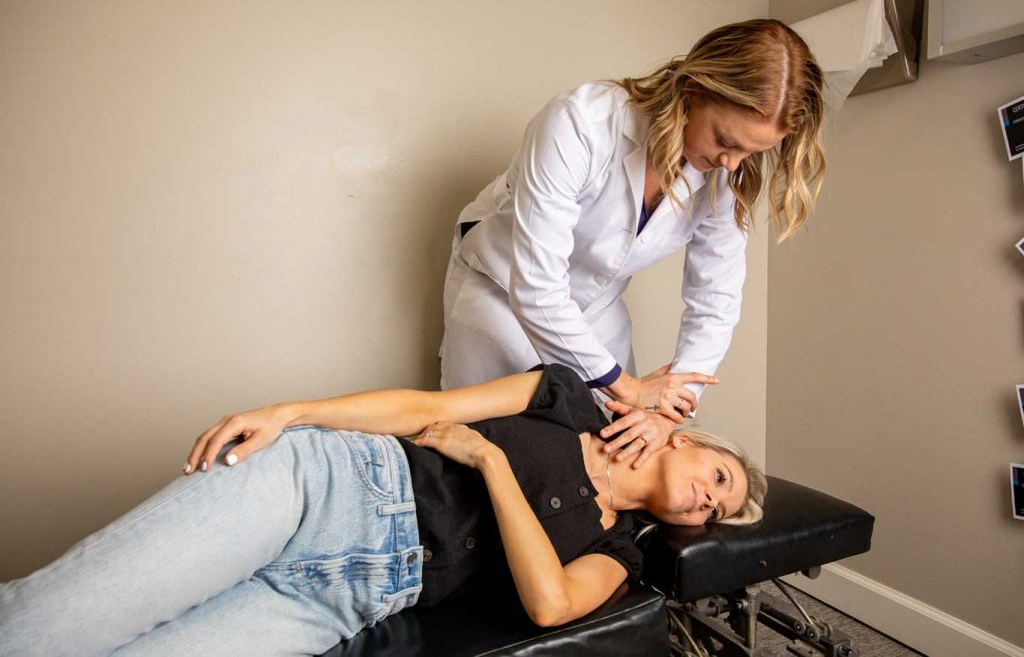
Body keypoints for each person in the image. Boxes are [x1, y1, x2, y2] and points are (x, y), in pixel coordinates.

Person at [0, 364, 766, 656]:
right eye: (721, 477)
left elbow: (549, 602)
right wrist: (291, 412)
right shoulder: (565, 398)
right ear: (688, 437)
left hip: (344, 598)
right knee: (46, 625)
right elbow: (422, 407)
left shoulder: (619, 552)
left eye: (718, 510)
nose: (710, 499)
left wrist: (492, 462)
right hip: (323, 488)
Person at [441, 19, 825, 468]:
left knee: (615, 454)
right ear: (694, 89)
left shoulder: (725, 173)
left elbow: (715, 301)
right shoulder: (581, 123)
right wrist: (628, 387)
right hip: (502, 290)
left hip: (597, 307)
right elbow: (537, 289)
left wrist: (666, 411)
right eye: (725, 140)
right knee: (482, 453)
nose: (731, 163)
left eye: (751, 153)